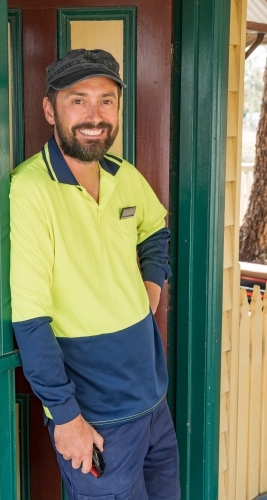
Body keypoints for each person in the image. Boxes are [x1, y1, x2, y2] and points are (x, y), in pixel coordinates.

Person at [10, 48, 180, 500]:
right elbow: (30, 318)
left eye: (106, 100)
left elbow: (155, 230)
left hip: (153, 403)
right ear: (51, 108)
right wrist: (65, 418)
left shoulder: (124, 175)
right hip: (96, 419)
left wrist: (150, 288)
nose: (94, 114)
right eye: (78, 99)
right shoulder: (29, 190)